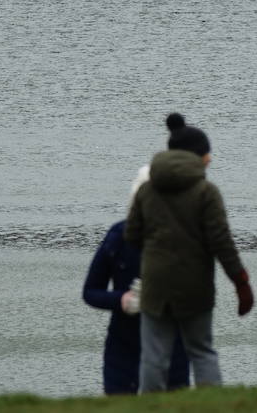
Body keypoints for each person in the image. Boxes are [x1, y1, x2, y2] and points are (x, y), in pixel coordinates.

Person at [125, 113, 254, 392]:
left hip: (155, 284)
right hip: (194, 284)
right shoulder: (206, 192)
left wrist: (155, 254)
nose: (210, 158)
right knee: (201, 351)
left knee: (154, 357)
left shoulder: (146, 190)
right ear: (196, 156)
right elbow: (222, 243)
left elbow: (131, 235)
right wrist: (241, 281)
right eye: (207, 153)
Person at [82, 166, 190, 394]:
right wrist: (122, 300)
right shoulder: (118, 237)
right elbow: (90, 291)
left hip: (171, 348)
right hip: (124, 348)